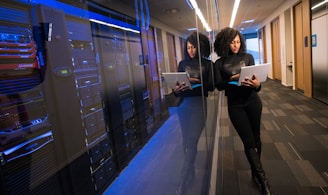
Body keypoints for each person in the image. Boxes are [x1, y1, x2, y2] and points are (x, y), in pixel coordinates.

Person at [213, 27, 273, 195]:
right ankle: (263, 181)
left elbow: (257, 82)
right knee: (249, 142)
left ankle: (255, 171)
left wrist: (258, 85)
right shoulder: (219, 63)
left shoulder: (248, 57)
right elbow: (218, 86)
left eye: (238, 42)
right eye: (232, 42)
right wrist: (231, 79)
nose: (236, 45)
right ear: (225, 43)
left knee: (257, 138)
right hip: (235, 105)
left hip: (253, 102)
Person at [173, 31, 213, 195]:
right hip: (184, 105)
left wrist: (197, 81)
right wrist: (176, 90)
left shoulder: (207, 64)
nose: (190, 50)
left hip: (199, 105)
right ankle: (190, 169)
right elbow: (177, 89)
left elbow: (211, 87)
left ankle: (182, 179)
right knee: (186, 141)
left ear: (200, 47)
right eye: (188, 47)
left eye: (193, 47)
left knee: (192, 140)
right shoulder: (182, 64)